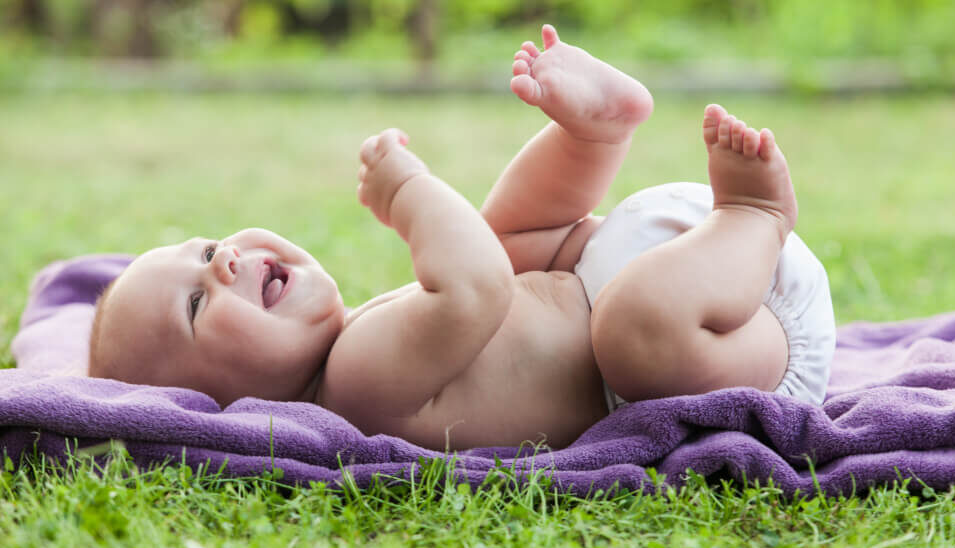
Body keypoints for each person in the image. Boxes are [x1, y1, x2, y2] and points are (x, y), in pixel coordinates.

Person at [88, 25, 835, 451]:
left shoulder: (354, 346)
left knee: (508, 241)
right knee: (621, 326)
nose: (223, 260)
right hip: (733, 335)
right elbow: (477, 287)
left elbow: (488, 269)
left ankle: (593, 138)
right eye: (195, 303)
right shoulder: (354, 384)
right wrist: (407, 195)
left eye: (205, 248)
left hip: (633, 271)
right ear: (219, 406)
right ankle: (757, 212)